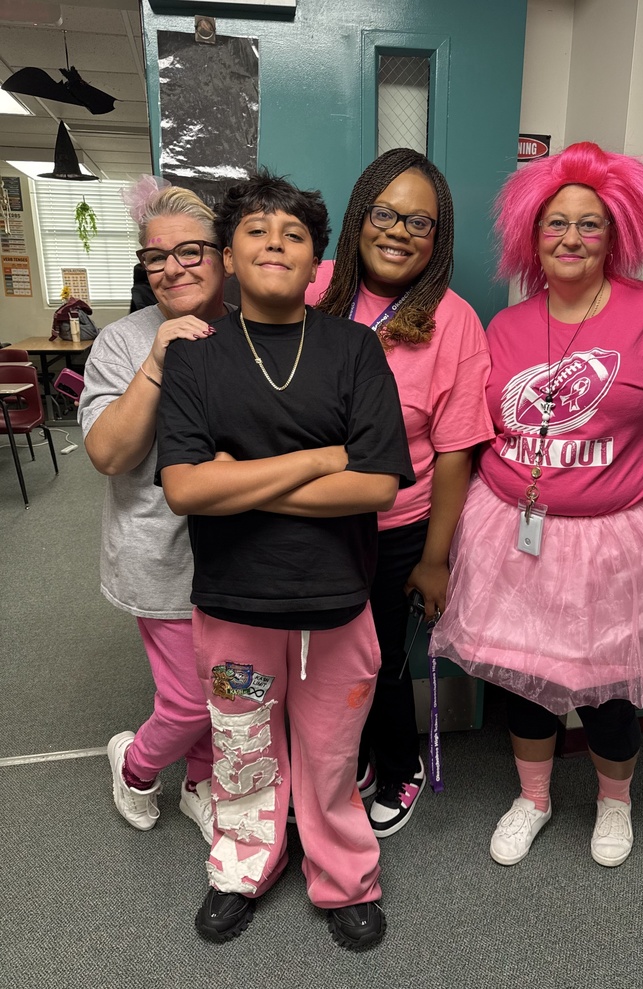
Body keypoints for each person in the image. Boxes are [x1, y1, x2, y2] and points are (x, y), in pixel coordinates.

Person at [430, 141, 643, 868]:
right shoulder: (505, 327)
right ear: (529, 237)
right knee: (527, 682)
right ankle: (533, 799)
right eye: (554, 224)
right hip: (515, 531)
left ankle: (613, 803)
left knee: (609, 689)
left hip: (619, 541)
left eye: (589, 224)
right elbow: (482, 431)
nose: (570, 238)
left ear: (617, 234)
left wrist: (641, 449)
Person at [155, 172, 414, 950]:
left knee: (334, 760)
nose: (275, 242)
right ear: (228, 256)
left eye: (294, 235)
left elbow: (372, 483)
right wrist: (318, 459)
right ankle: (241, 867)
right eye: (257, 230)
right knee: (241, 753)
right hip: (234, 607)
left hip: (339, 602)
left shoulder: (353, 349)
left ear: (316, 265)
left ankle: (345, 879)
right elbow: (183, 490)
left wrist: (239, 481)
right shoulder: (197, 359)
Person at [308, 148, 494, 837]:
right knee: (321, 655)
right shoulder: (313, 287)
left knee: (382, 660)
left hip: (394, 532)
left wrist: (435, 558)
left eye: (421, 223)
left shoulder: (455, 321)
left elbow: (454, 453)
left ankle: (398, 765)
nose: (398, 231)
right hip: (310, 524)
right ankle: (348, 756)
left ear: (438, 241)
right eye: (385, 213)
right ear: (359, 218)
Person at [79, 181, 230, 842]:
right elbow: (110, 454)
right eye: (155, 257)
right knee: (191, 699)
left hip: (240, 557)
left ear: (224, 254)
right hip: (159, 557)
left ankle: (200, 781)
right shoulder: (121, 342)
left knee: (228, 690)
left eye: (191, 251)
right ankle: (137, 765)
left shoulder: (257, 328)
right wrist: (159, 359)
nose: (172, 268)